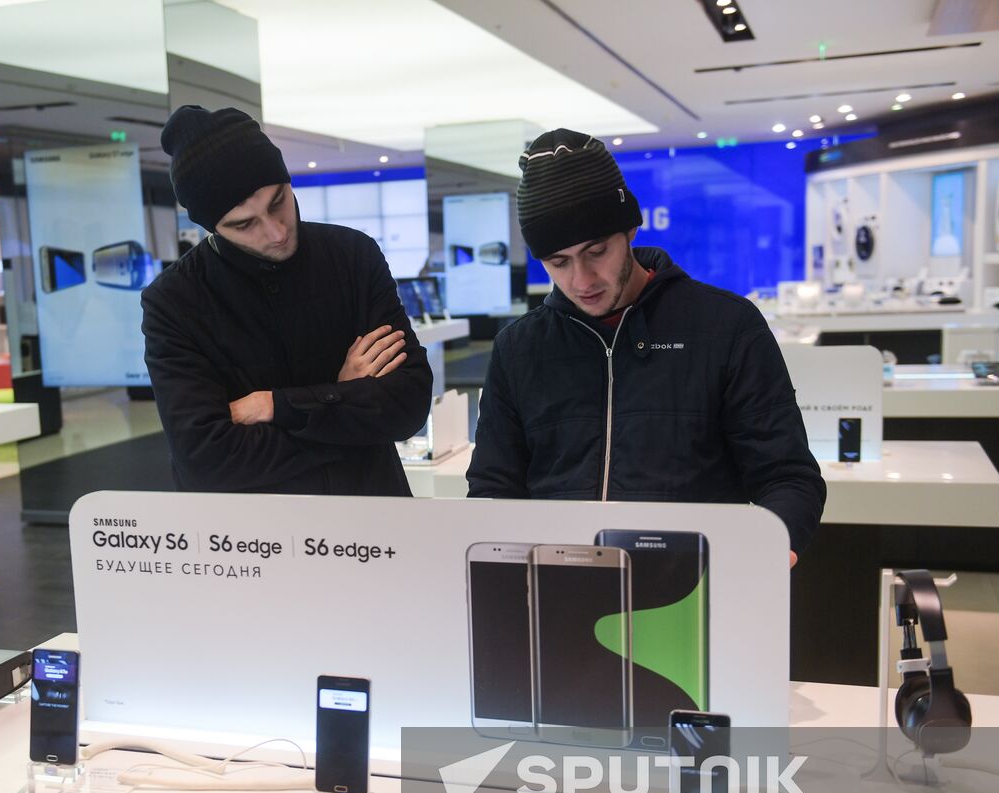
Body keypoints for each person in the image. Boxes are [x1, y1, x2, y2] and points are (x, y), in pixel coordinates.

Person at [467, 129, 825, 563]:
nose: (581, 280)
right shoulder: (518, 348)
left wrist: (773, 548)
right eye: (558, 262)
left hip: (694, 588)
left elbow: (787, 476)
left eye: (596, 251)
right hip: (559, 591)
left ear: (630, 229)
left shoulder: (726, 326)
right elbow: (494, 488)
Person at [142, 106, 433, 495]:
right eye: (245, 224)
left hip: (373, 520)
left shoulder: (352, 256)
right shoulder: (174, 302)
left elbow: (408, 404)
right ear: (212, 227)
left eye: (278, 200)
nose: (276, 232)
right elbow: (207, 462)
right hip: (259, 543)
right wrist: (339, 396)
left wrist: (273, 406)